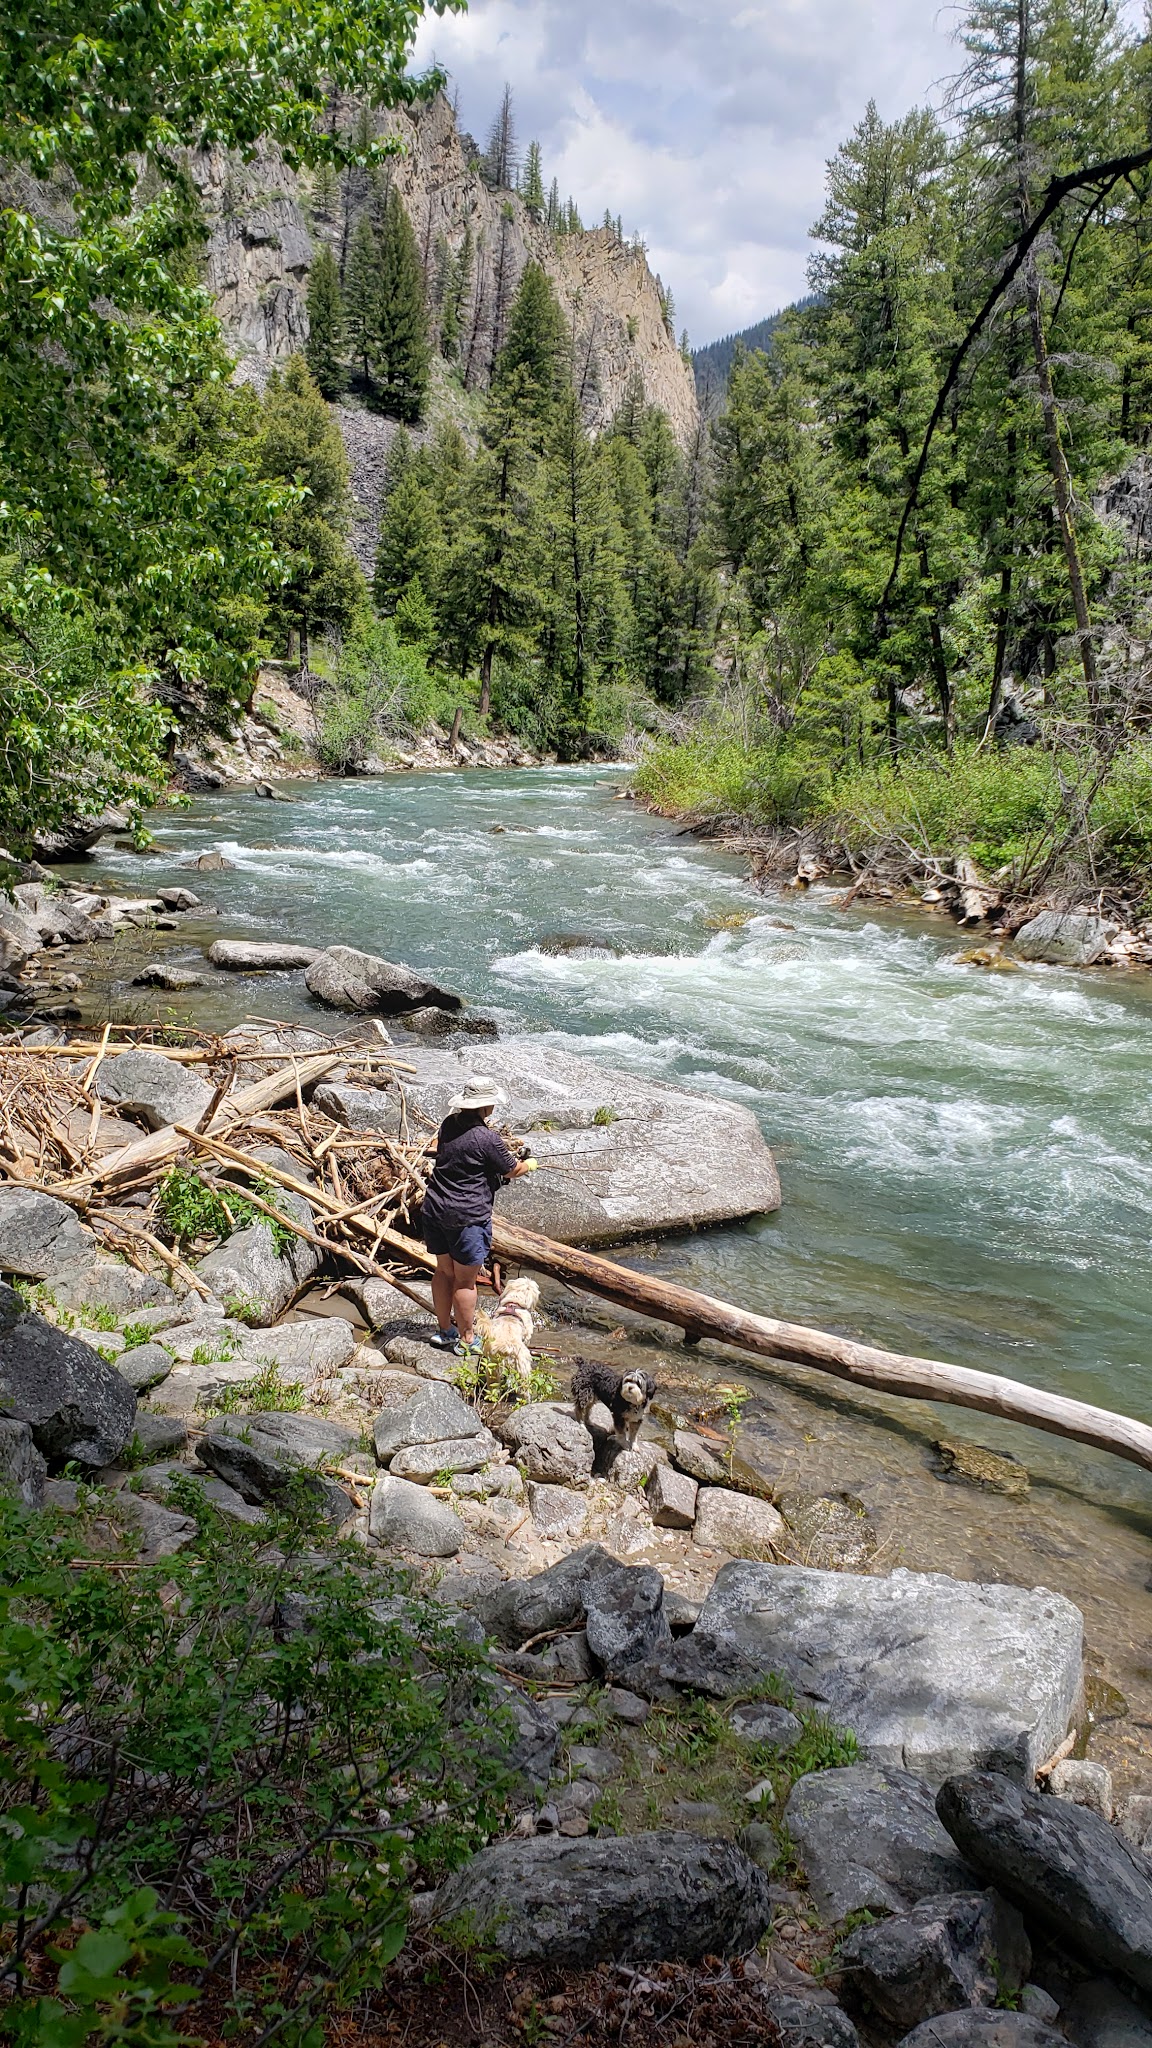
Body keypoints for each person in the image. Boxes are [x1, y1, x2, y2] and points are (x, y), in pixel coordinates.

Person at [421, 1075, 538, 1355]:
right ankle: (467, 1338)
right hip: (467, 1218)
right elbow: (512, 1170)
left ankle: (444, 1330)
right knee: (465, 1281)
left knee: (443, 1271)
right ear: (486, 1106)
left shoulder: (450, 1123)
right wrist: (530, 1164)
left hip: (435, 1208)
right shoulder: (487, 1138)